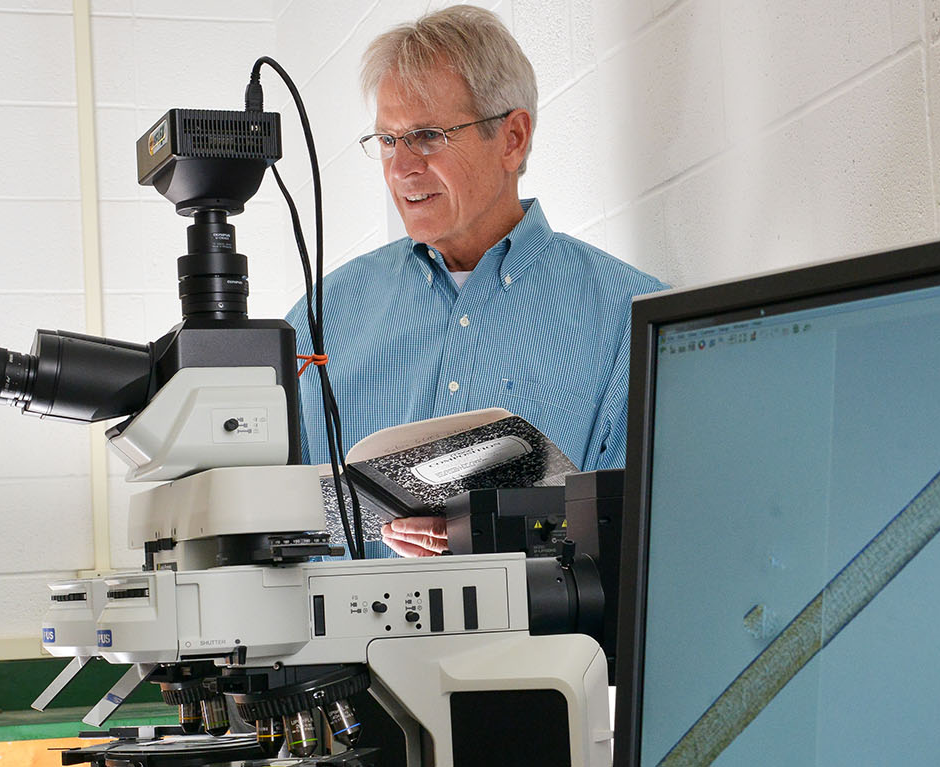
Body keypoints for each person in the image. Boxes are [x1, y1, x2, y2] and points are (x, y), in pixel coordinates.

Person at [285, 5, 667, 558]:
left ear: (511, 137)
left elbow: (635, 537)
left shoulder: (628, 315)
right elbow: (269, 531)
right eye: (388, 141)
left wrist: (496, 530)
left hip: (545, 643)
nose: (401, 168)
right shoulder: (321, 317)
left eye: (428, 136)